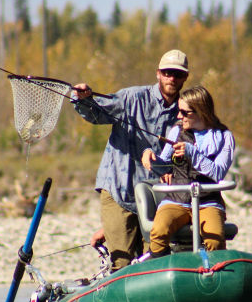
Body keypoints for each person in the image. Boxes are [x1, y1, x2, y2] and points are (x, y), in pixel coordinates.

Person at [73, 49, 189, 269]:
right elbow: (97, 113)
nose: (172, 78)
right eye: (167, 72)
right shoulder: (131, 97)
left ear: (185, 77)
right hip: (119, 189)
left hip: (156, 198)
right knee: (122, 263)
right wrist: (83, 99)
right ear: (158, 73)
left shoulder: (186, 112)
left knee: (154, 263)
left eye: (178, 74)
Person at [141, 85, 235, 256]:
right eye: (179, 111)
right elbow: (164, 164)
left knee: (214, 240)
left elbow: (218, 173)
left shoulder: (224, 136)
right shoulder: (177, 131)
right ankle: (159, 263)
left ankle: (213, 268)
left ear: (201, 112)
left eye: (184, 113)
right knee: (159, 232)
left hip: (208, 201)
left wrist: (192, 152)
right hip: (176, 200)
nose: (179, 116)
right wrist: (150, 156)